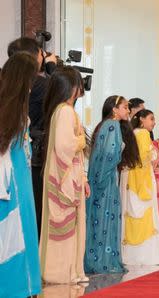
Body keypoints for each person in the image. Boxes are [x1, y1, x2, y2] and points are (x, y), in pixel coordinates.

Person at [40, 66, 90, 284]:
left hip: (71, 174)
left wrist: (84, 179)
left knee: (69, 227)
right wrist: (81, 139)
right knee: (65, 228)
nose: (80, 89)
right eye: (78, 84)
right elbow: (65, 147)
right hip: (65, 177)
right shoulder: (65, 111)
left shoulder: (62, 111)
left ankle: (69, 271)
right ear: (71, 87)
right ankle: (61, 272)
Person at [0, 52, 41, 297]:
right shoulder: (10, 110)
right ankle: (17, 288)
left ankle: (25, 287)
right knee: (14, 237)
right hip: (11, 184)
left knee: (22, 233)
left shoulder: (14, 107)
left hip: (20, 181)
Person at [7, 37, 57, 237]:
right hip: (29, 157)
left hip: (23, 154)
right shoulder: (40, 84)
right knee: (29, 212)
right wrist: (52, 70)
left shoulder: (7, 84)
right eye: (41, 53)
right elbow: (59, 106)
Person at [85, 96, 137, 273]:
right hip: (106, 180)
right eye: (124, 107)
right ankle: (104, 261)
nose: (128, 111)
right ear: (115, 109)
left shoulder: (103, 125)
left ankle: (95, 259)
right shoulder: (113, 125)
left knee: (98, 218)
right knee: (107, 218)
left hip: (100, 177)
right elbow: (109, 155)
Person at [120, 109, 159, 265]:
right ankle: (145, 256)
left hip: (131, 180)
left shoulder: (133, 133)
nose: (154, 122)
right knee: (145, 216)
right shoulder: (143, 134)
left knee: (132, 216)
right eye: (151, 119)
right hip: (142, 180)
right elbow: (145, 158)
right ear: (141, 119)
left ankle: (132, 256)